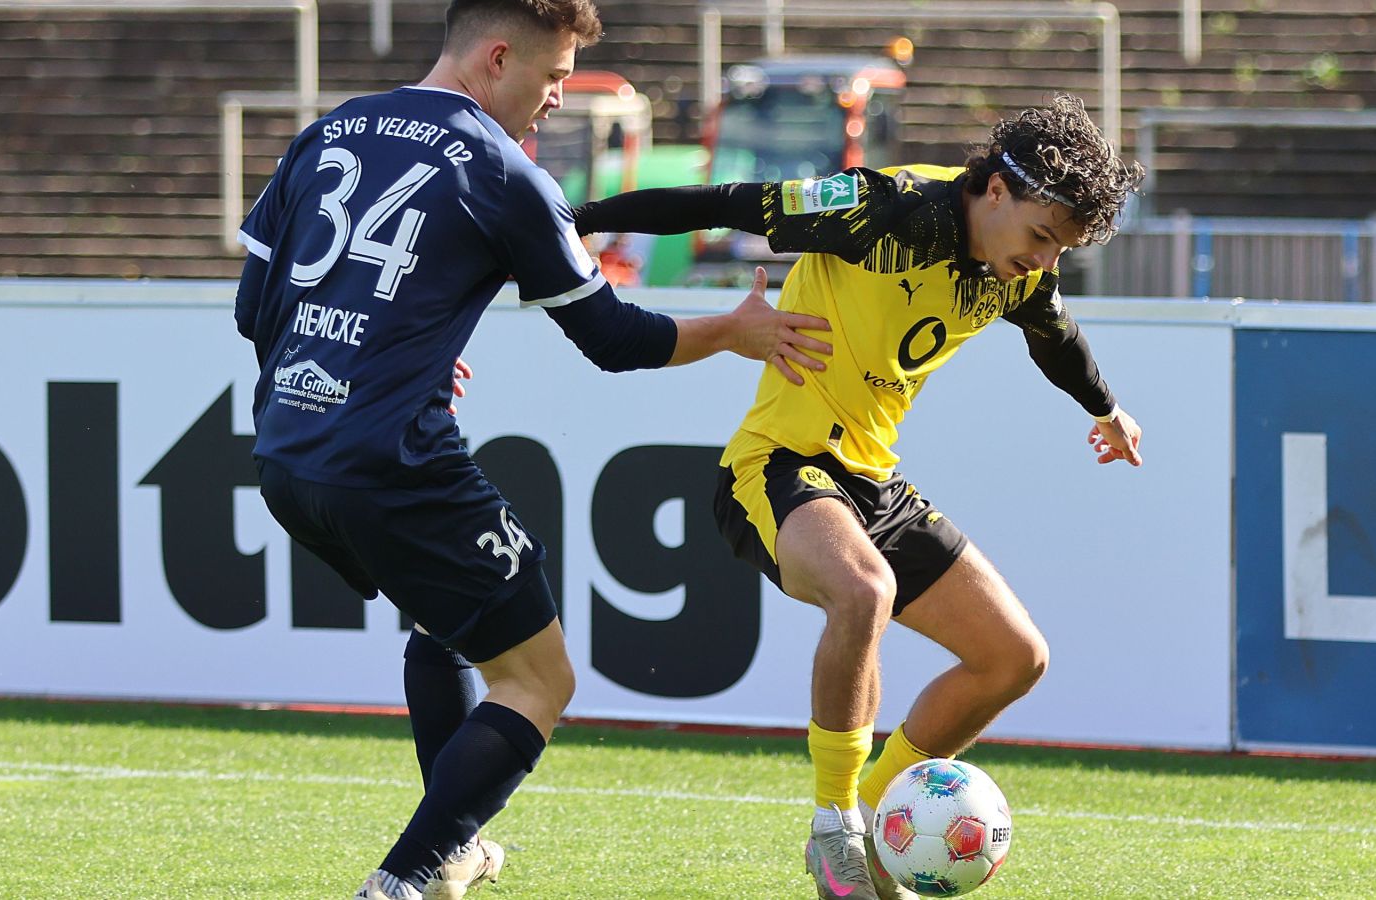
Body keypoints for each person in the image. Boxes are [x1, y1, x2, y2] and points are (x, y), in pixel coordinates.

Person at [231, 0, 832, 896]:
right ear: (498, 56)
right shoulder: (502, 171)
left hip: (284, 454)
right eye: (553, 78)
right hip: (388, 462)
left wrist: (388, 360)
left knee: (450, 623)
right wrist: (735, 330)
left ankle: (451, 855)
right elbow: (615, 339)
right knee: (540, 679)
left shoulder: (330, 130)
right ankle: (400, 881)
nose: (557, 99)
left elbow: (254, 309)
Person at [575, 94, 1145, 900]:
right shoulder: (882, 209)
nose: (1045, 264)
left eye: (1064, 250)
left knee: (1015, 658)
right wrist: (577, 217)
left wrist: (1106, 410)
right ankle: (834, 826)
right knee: (864, 589)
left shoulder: (1016, 273)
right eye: (1042, 239)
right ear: (992, 191)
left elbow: (1058, 338)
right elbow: (723, 205)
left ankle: (881, 827)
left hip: (873, 483)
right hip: (777, 468)